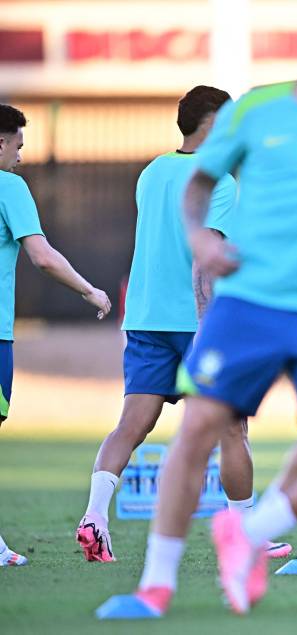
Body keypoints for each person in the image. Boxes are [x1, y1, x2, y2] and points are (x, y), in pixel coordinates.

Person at [95, 0, 297, 619]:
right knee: (200, 428)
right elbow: (200, 180)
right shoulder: (256, 108)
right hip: (249, 303)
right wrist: (200, 238)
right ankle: (155, 584)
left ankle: (251, 529)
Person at [76, 85, 289, 564]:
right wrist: (213, 327)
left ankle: (95, 516)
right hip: (196, 322)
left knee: (131, 425)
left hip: (146, 318)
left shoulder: (152, 173)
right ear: (212, 124)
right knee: (233, 430)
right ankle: (248, 533)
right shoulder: (221, 180)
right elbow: (204, 258)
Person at [0, 103, 112, 568]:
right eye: (18, 146)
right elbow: (42, 256)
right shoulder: (9, 186)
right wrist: (90, 291)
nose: (21, 158)